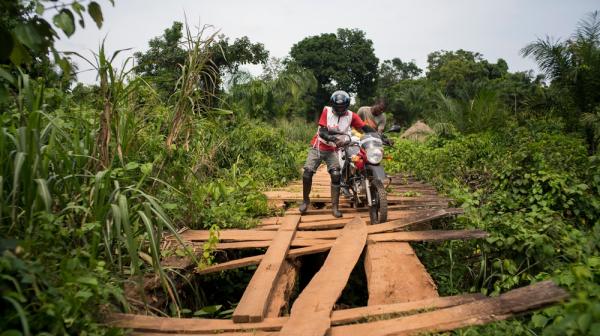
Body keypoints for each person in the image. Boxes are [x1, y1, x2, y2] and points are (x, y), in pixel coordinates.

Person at [300, 90, 378, 217]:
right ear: (333, 105)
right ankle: (305, 200)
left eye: (343, 107)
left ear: (347, 106)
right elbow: (322, 132)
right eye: (338, 107)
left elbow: (364, 127)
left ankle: (335, 207)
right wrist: (335, 139)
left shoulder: (351, 116)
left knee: (336, 175)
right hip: (318, 146)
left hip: (332, 150)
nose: (340, 109)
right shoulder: (327, 111)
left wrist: (379, 136)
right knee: (307, 174)